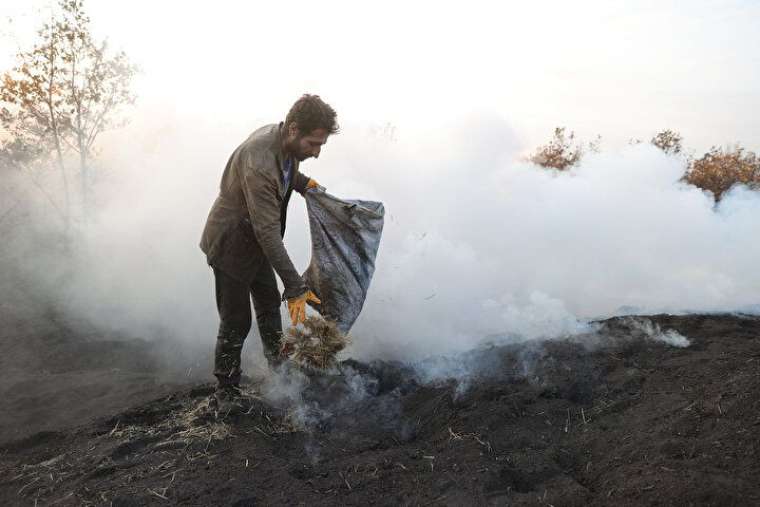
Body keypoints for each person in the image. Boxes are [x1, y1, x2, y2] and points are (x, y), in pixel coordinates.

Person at [199, 94, 339, 399]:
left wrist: (305, 185)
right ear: (293, 129)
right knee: (236, 320)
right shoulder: (259, 162)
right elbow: (268, 232)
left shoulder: (282, 141)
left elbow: (286, 172)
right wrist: (296, 287)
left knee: (268, 303)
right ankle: (226, 389)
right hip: (231, 243)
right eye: (313, 144)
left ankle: (279, 368)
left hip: (256, 240)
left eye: (320, 146)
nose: (316, 153)